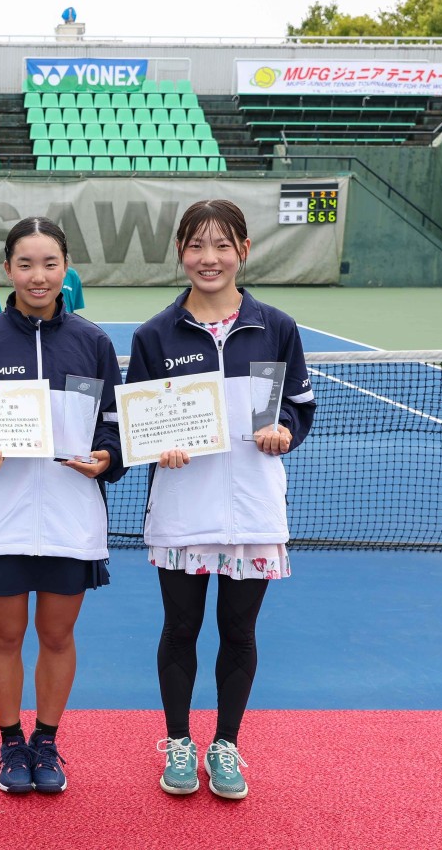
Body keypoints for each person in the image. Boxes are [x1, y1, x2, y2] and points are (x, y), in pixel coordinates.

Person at [126, 199, 315, 801]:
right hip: (184, 510)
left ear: (244, 252)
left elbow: (298, 406)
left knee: (239, 632)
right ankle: (179, 743)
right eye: (196, 246)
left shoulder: (276, 327)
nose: (209, 259)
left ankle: (226, 745)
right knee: (179, 629)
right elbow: (139, 422)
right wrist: (161, 446)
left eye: (222, 245)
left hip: (254, 509)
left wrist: (283, 428)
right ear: (180, 253)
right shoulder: (155, 334)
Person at [0, 217, 126, 794]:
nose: (38, 276)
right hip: (2, 515)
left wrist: (106, 459)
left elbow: (115, 429)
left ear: (66, 268)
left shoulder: (93, 343)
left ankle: (46, 742)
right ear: (7, 270)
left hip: (72, 516)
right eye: (26, 264)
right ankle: (9, 745)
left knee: (58, 635)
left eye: (49, 263)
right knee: (4, 634)